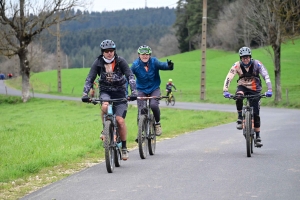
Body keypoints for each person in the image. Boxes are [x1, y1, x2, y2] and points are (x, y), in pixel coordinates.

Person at [81, 39, 137, 160]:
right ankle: (105, 129)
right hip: (105, 91)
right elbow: (90, 78)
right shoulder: (98, 62)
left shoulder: (120, 61)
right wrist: (85, 94)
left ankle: (124, 147)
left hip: (120, 92)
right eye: (106, 51)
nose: (109, 53)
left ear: (114, 51)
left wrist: (134, 92)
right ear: (102, 52)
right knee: (105, 105)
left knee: (120, 121)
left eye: (111, 50)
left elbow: (130, 76)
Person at [222, 46, 272, 147]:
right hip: (242, 87)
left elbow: (266, 75)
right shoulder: (236, 66)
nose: (245, 59)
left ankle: (258, 137)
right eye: (243, 58)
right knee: (239, 97)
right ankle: (240, 117)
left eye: (247, 57)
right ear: (241, 58)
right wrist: (225, 90)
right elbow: (229, 77)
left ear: (250, 57)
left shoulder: (257, 64)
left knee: (256, 114)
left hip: (255, 89)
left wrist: (269, 89)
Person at [131, 45, 174, 137]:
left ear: (150, 55)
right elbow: (128, 77)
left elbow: (163, 65)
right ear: (139, 55)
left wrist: (169, 66)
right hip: (141, 89)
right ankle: (141, 132)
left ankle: (157, 123)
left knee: (153, 105)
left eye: (147, 54)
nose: (145, 56)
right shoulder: (135, 65)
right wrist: (127, 93)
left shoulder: (154, 62)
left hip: (154, 88)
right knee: (141, 109)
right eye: (143, 54)